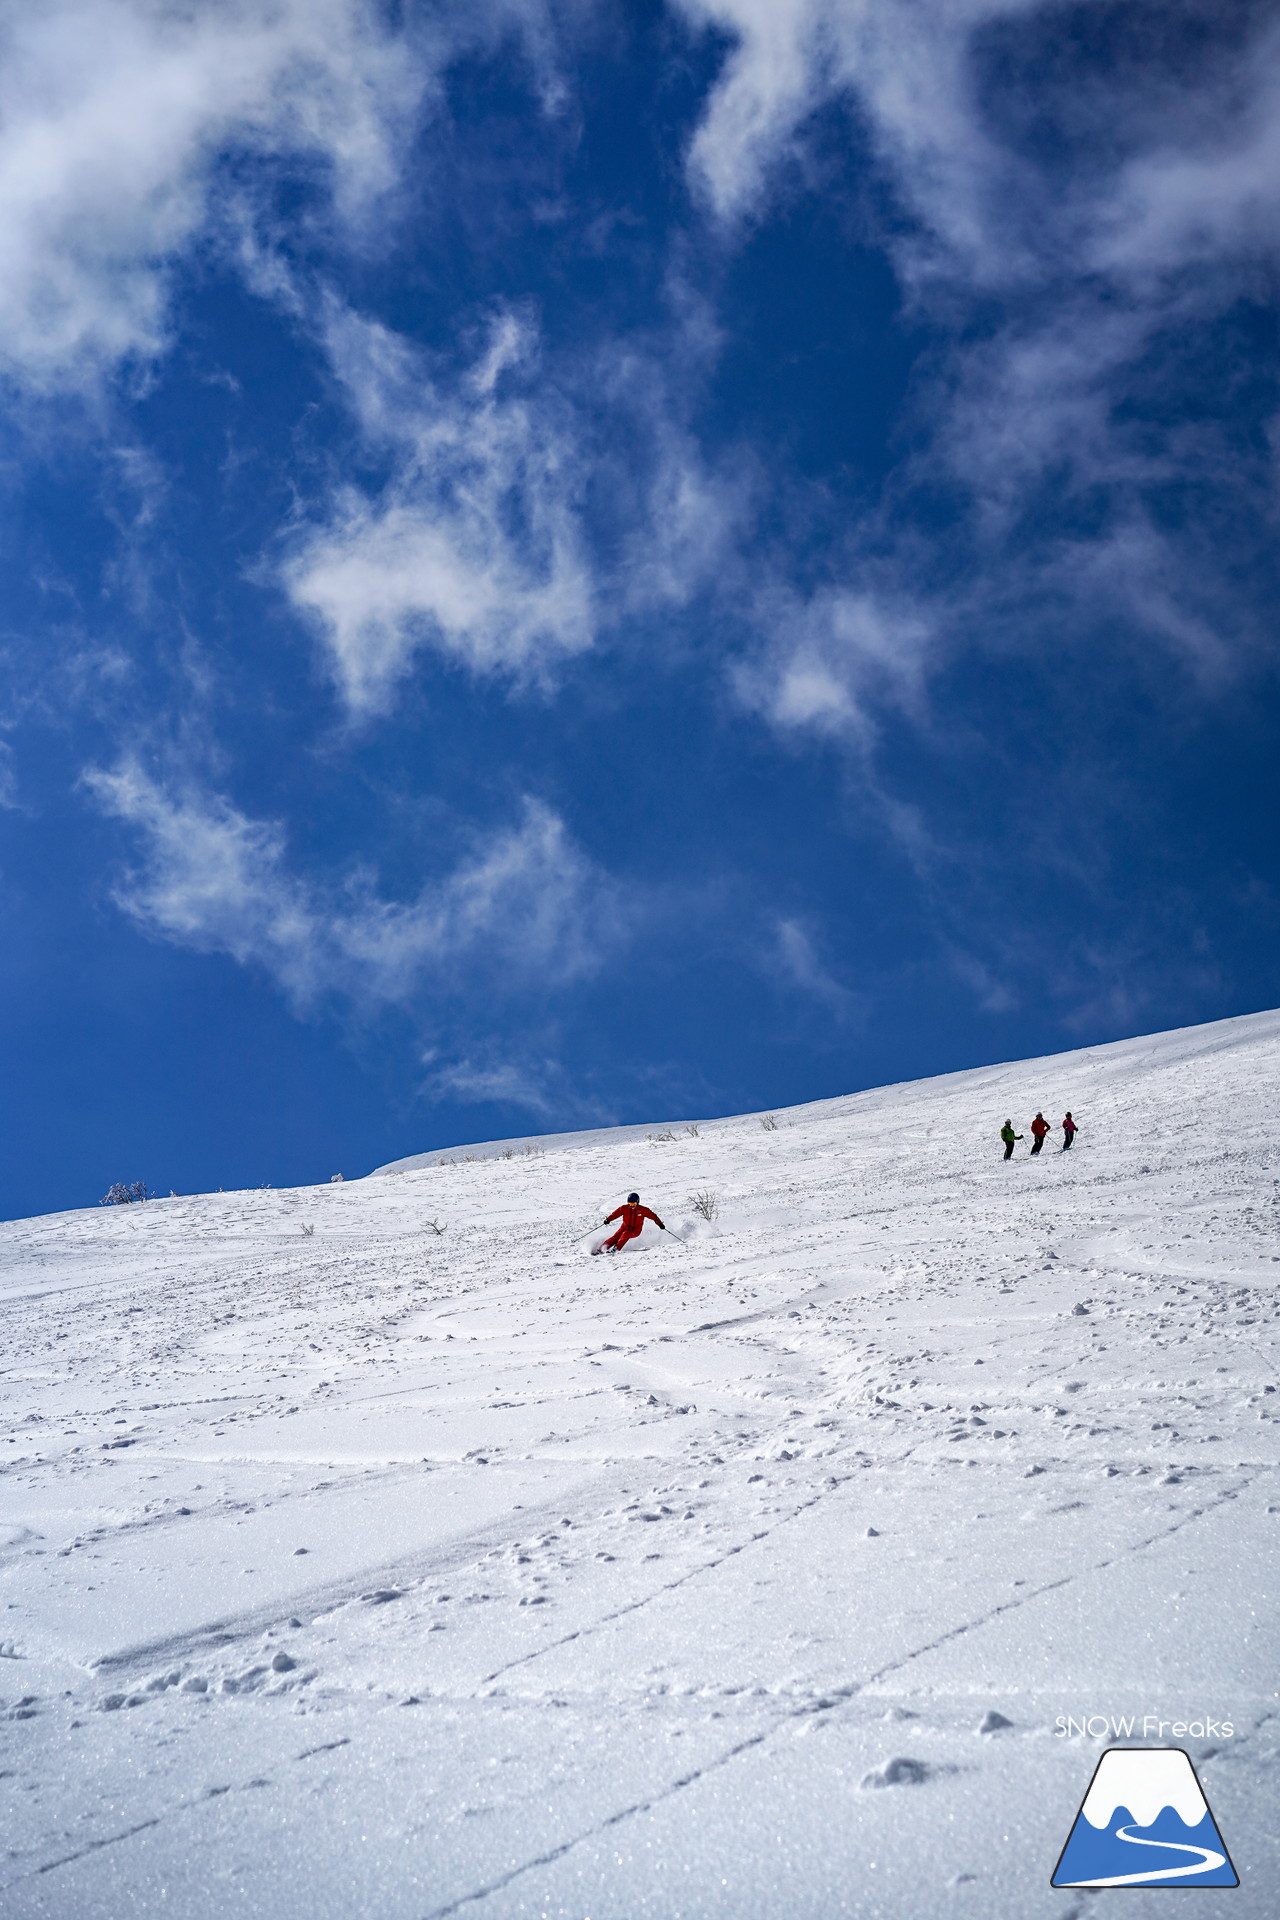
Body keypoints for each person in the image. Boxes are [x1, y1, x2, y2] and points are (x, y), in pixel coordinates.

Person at [594, 1192, 665, 1255]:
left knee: (626, 1234)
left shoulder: (643, 1210)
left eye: (633, 1204)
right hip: (624, 1227)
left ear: (637, 1202)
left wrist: (660, 1224)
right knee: (615, 1237)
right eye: (630, 1204)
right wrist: (608, 1219)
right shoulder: (624, 1208)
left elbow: (654, 1217)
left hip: (635, 1231)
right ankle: (600, 1250)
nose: (632, 1206)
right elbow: (615, 1214)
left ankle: (616, 1249)